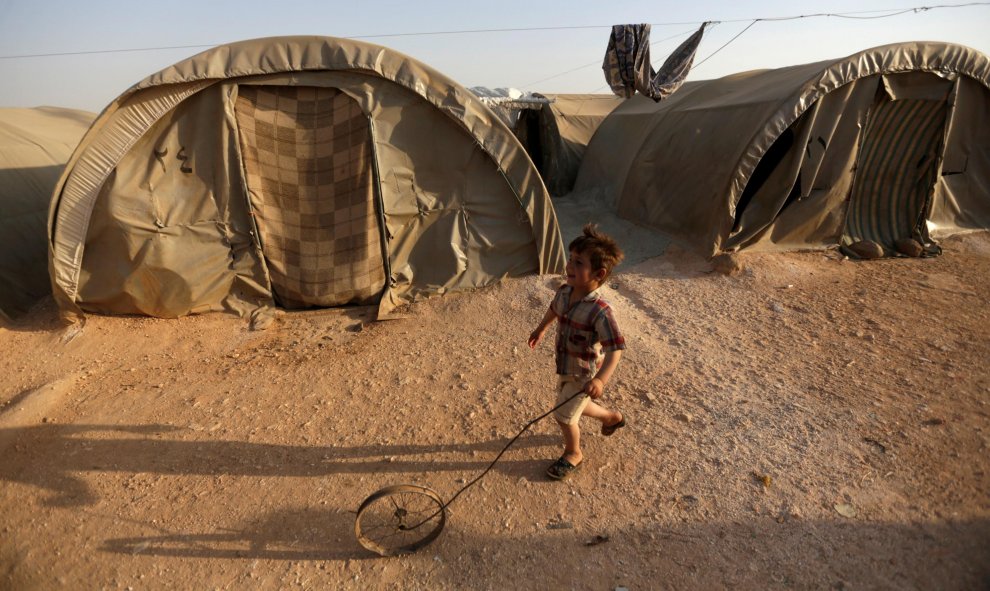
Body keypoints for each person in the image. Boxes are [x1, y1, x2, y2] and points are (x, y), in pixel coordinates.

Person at [528, 223, 627, 480]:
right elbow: (554, 309)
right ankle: (611, 417)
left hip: (584, 372)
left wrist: (600, 380)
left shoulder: (601, 311)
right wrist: (541, 329)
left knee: (564, 415)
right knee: (576, 404)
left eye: (578, 263)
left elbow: (615, 349)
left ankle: (573, 453)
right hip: (565, 365)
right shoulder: (565, 292)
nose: (569, 266)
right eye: (570, 259)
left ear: (599, 273)